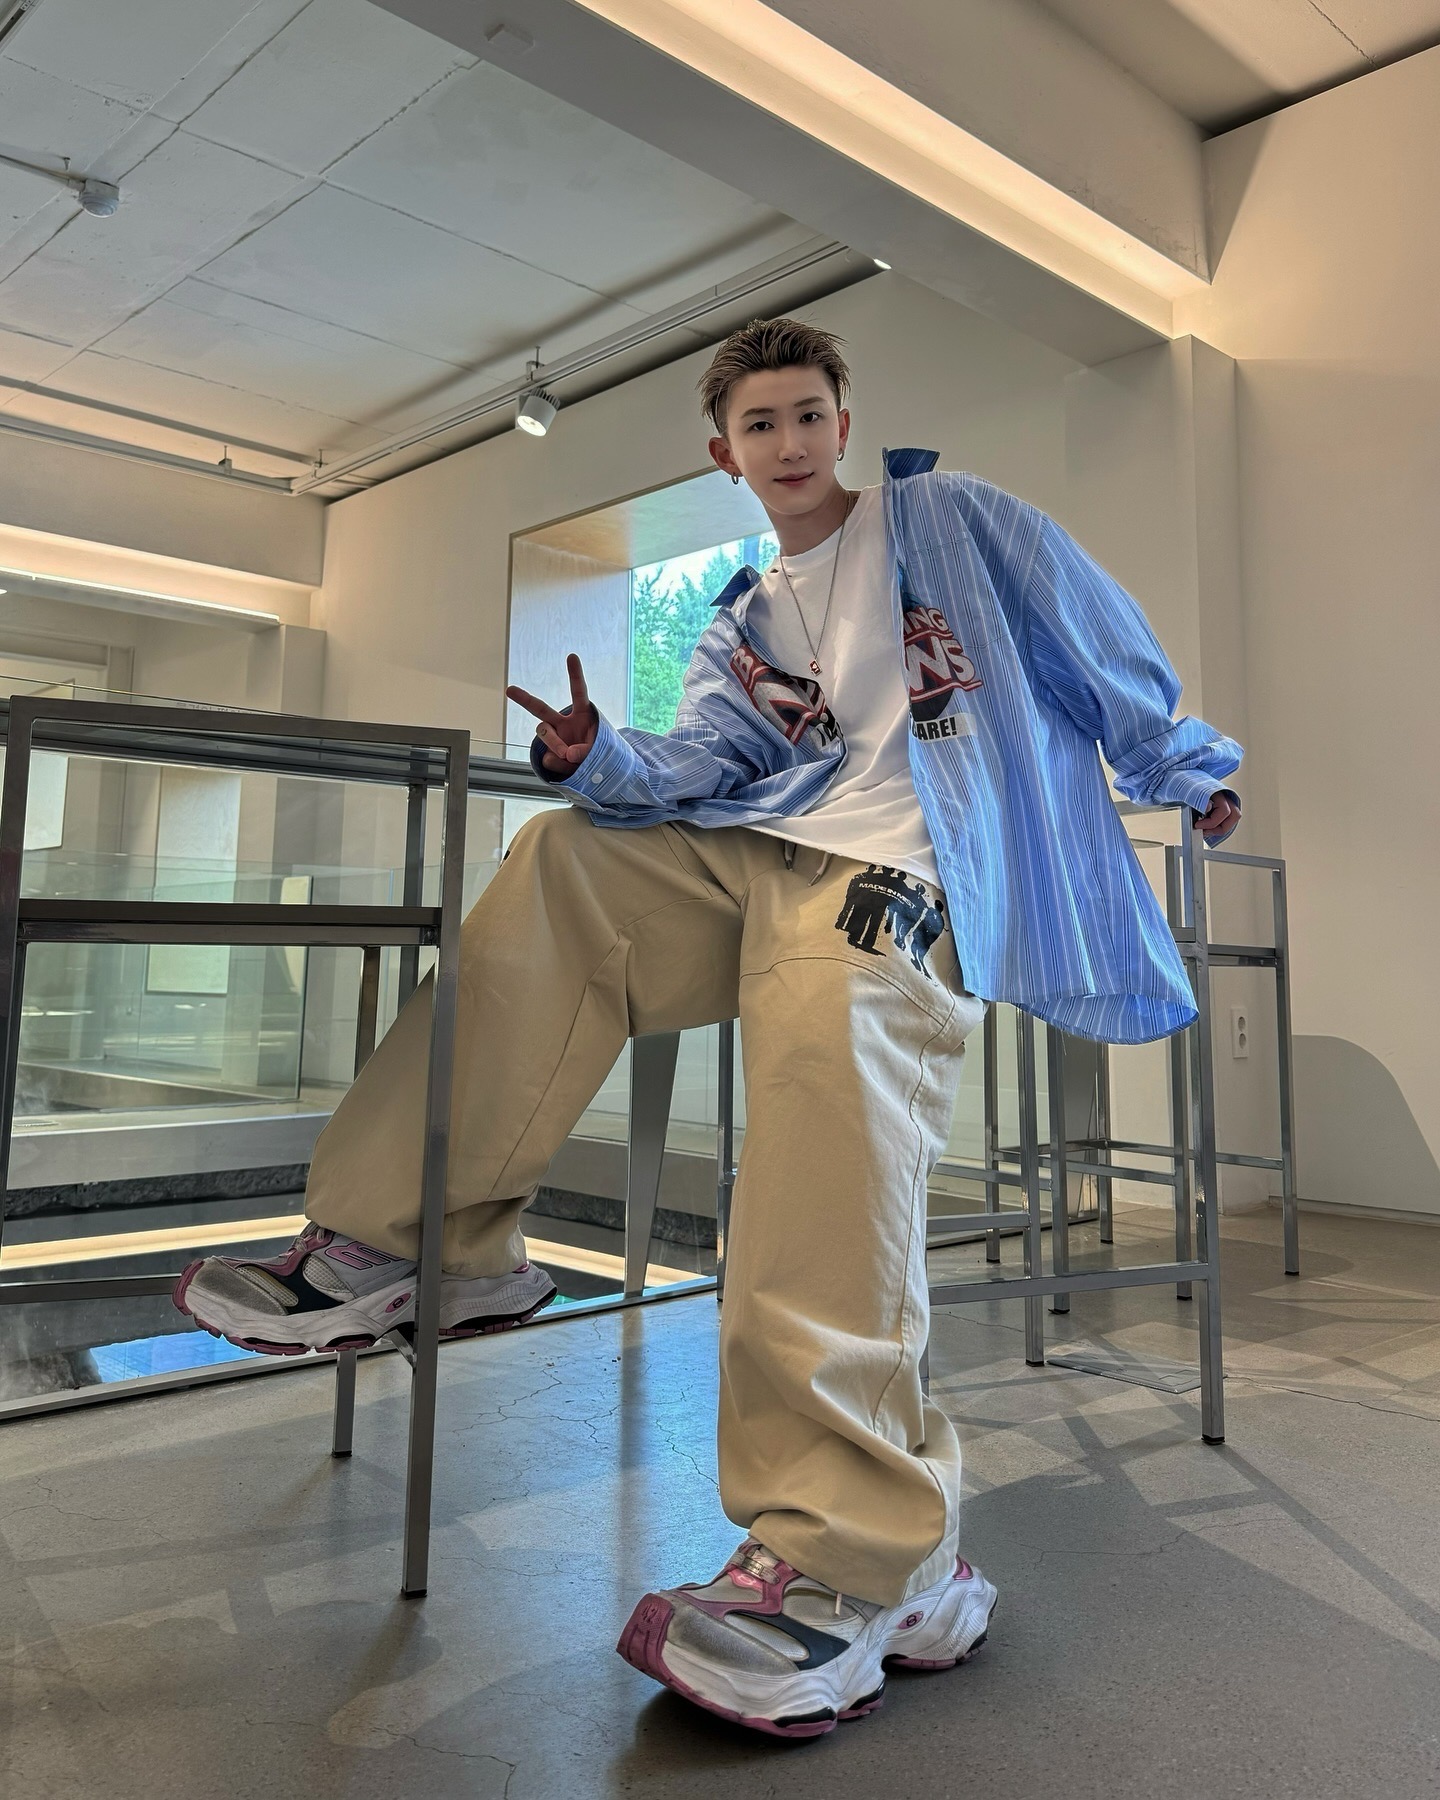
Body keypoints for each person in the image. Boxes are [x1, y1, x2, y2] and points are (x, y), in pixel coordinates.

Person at [175, 317, 1241, 1738]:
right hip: (765, 851)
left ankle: (861, 1557)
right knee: (564, 859)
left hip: (909, 876)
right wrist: (597, 757)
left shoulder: (950, 519)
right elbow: (701, 764)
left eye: (808, 415)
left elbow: (1089, 632)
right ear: (724, 452)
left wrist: (1185, 765)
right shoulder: (746, 614)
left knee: (821, 1046)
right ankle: (422, 1240)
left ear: (843, 424)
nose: (788, 443)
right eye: (760, 425)